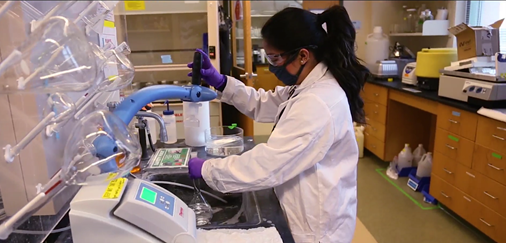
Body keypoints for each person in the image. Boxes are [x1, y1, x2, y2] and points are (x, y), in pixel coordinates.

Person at [187, 5, 369, 243]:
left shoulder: (318, 101)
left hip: (316, 228)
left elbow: (269, 164)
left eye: (275, 57)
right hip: (308, 210)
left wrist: (208, 170)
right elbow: (264, 102)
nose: (272, 66)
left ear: (303, 55)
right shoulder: (309, 86)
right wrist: (222, 83)